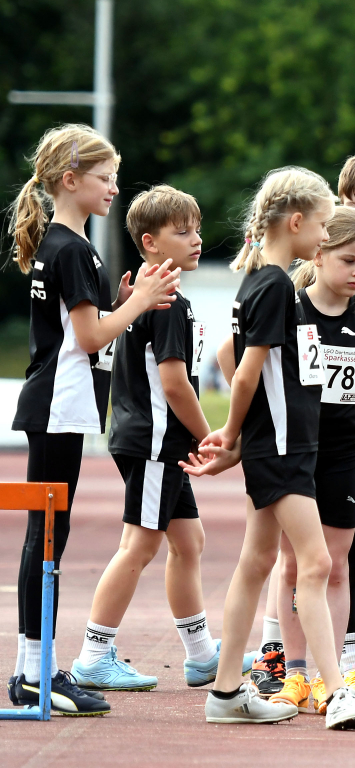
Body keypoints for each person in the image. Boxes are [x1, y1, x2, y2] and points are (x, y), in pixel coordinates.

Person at [7, 124, 180, 716]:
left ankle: (34, 669)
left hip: (60, 401)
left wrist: (123, 303)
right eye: (104, 178)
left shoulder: (67, 245)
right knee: (46, 537)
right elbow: (86, 338)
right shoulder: (72, 248)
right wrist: (138, 303)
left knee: (48, 535)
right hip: (58, 402)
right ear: (69, 180)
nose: (113, 188)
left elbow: (82, 326)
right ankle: (34, 673)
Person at [194, 166, 355, 729]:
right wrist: (232, 434)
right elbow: (246, 373)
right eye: (322, 226)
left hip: (279, 446)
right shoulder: (273, 285)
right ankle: (336, 692)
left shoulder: (261, 281)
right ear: (295, 222)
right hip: (284, 450)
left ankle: (226, 693)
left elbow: (253, 369)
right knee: (315, 562)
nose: (325, 237)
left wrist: (242, 441)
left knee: (256, 564)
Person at [70, 186, 253, 692]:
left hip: (158, 441)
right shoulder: (165, 301)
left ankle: (201, 655)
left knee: (188, 542)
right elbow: (174, 384)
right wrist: (212, 438)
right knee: (138, 545)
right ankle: (92, 657)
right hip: (154, 442)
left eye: (197, 229)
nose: (196, 239)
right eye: (182, 231)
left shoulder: (145, 297)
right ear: (149, 242)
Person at [263, 207, 355, 713]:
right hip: (297, 452)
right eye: (349, 261)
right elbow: (240, 357)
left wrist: (353, 374)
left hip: (344, 453)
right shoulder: (290, 310)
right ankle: (294, 673)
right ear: (318, 255)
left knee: (337, 567)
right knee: (294, 565)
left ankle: (326, 676)